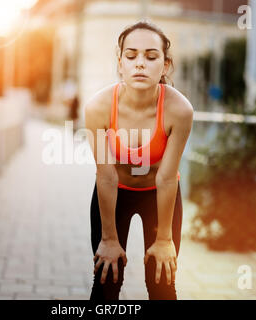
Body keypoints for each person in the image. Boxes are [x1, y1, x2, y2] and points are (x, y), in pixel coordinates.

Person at [84, 20, 194, 300]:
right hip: (114, 194)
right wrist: (109, 239)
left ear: (165, 65)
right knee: (107, 280)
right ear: (120, 63)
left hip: (160, 197)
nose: (140, 64)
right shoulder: (98, 107)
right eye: (131, 56)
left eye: (151, 56)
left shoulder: (179, 110)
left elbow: (166, 177)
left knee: (161, 282)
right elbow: (106, 176)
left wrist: (165, 239)